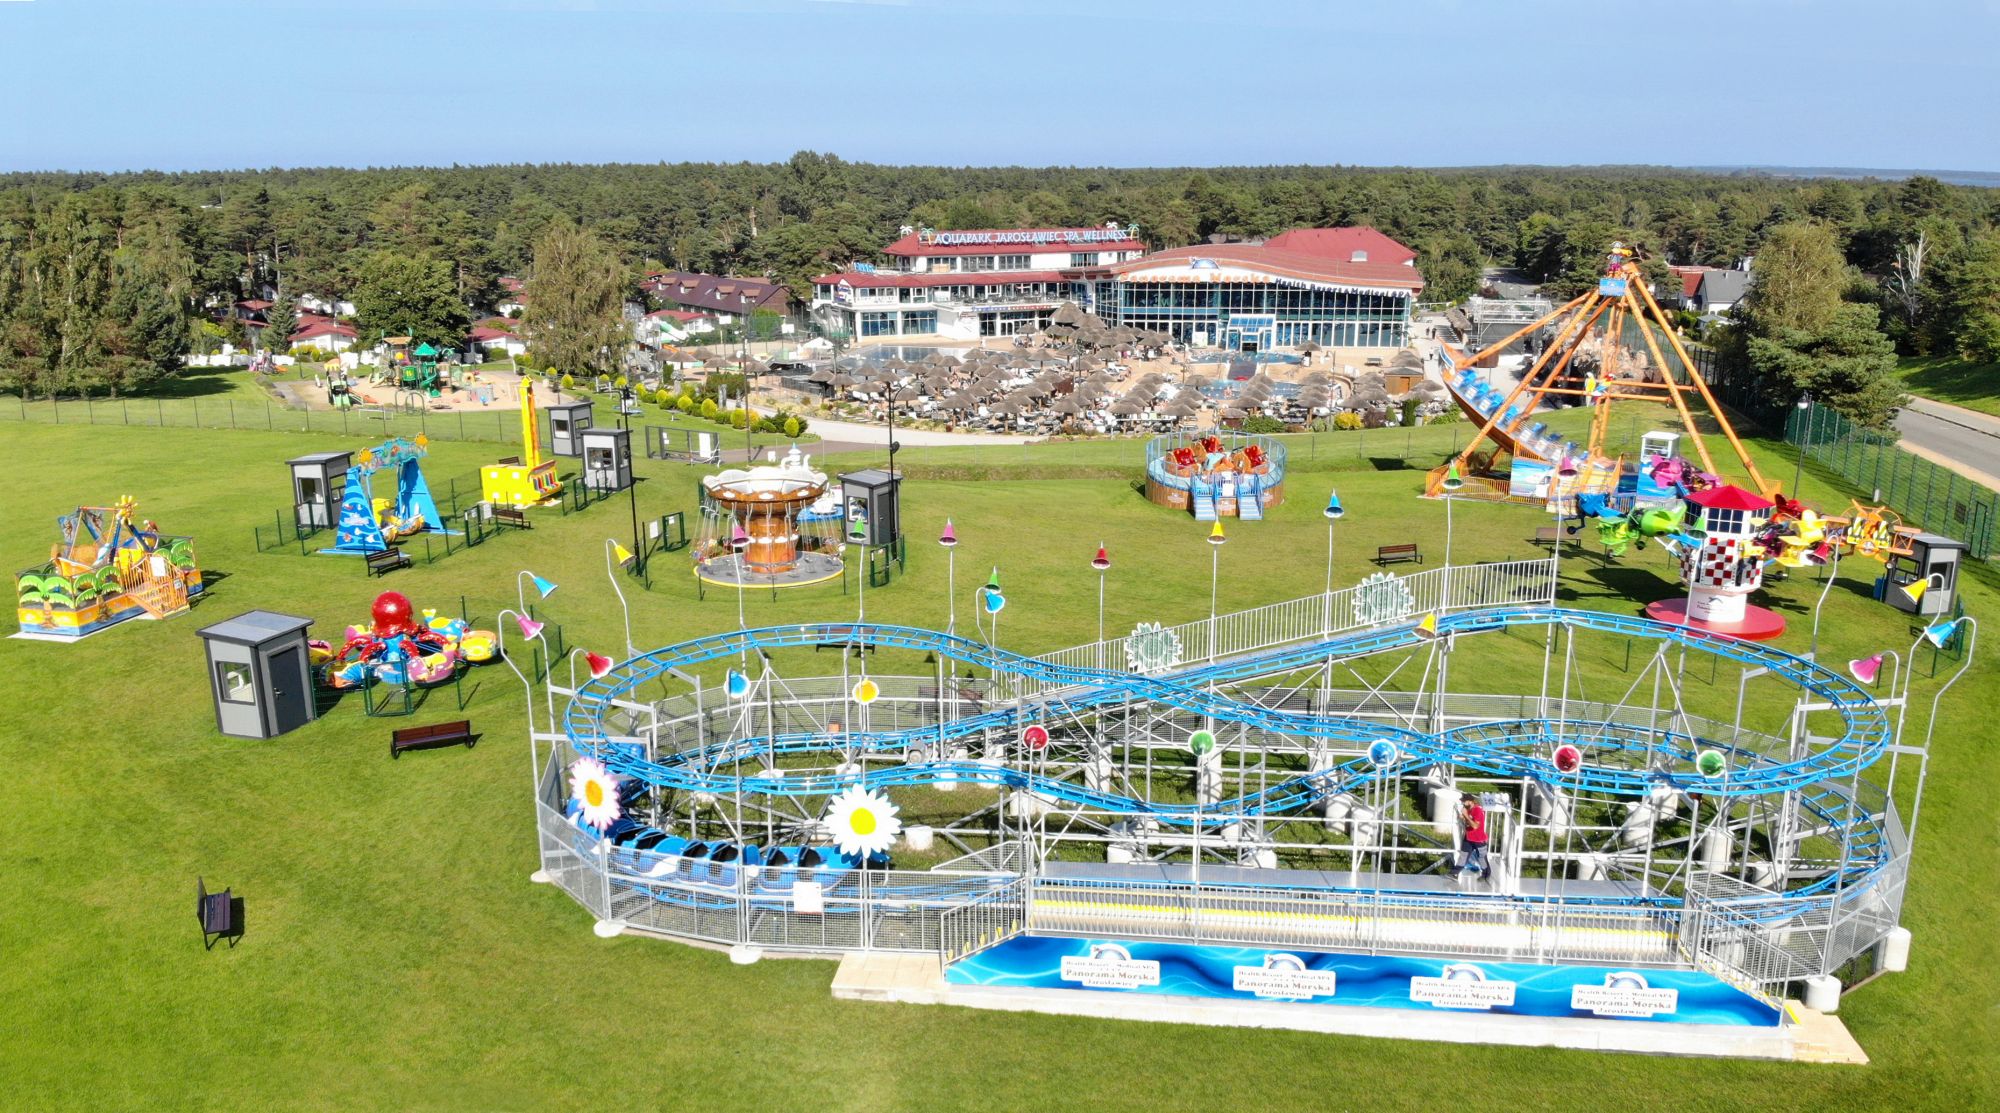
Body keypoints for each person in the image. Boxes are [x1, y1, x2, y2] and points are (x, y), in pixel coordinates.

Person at [1456, 793, 1491, 883]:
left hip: (1478, 839)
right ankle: (1454, 873)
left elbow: (1475, 826)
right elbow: (1468, 823)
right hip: (1468, 837)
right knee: (1463, 856)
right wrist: (1463, 817)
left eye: (1464, 801)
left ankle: (1486, 874)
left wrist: (1465, 815)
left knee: (1482, 858)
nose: (1463, 803)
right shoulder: (1468, 809)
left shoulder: (1477, 810)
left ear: (1470, 802)